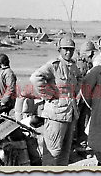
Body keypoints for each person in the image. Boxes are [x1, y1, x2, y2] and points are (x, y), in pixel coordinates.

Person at [30, 37, 80, 166]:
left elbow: (79, 79)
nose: (68, 52)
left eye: (71, 50)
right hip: (55, 114)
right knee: (53, 151)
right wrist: (50, 94)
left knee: (65, 151)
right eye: (65, 50)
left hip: (70, 113)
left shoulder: (73, 66)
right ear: (60, 50)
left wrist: (74, 93)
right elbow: (35, 78)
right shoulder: (54, 65)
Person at [75, 40, 97, 154]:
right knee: (75, 124)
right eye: (91, 54)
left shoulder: (89, 65)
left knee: (84, 122)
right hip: (78, 99)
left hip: (85, 99)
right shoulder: (78, 65)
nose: (93, 56)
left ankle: (81, 147)